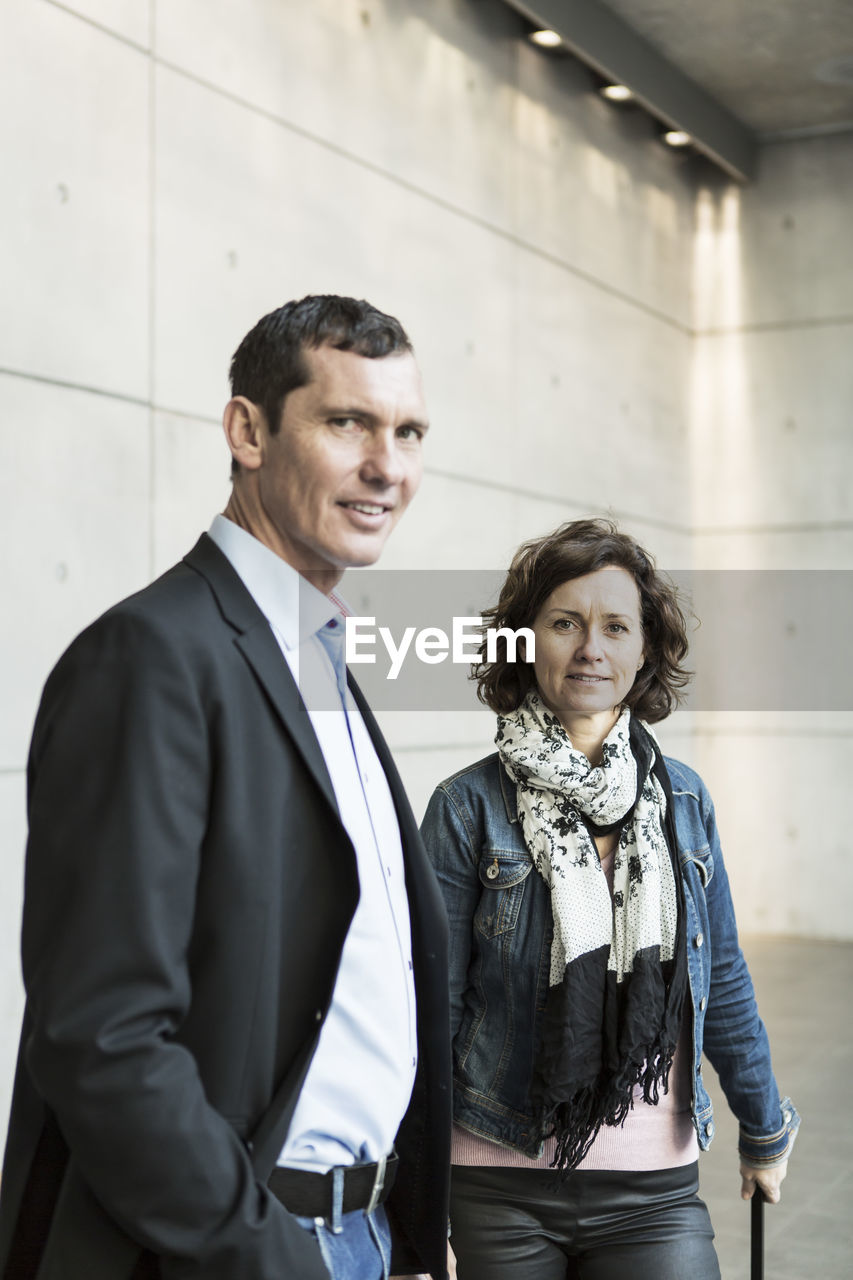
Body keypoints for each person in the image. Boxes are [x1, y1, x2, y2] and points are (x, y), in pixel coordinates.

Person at [0, 296, 451, 1280]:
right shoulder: (152, 656)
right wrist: (274, 1257)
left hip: (362, 1235)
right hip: (234, 1250)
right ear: (248, 430)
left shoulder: (322, 657)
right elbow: (104, 1037)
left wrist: (406, 1222)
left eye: (407, 431)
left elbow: (364, 976)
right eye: (348, 423)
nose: (389, 466)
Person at [421, 518, 799, 1280]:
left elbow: (719, 977)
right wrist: (416, 1203)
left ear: (643, 651)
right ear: (524, 644)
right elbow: (429, 1006)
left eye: (615, 626)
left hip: (652, 1190)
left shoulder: (683, 802)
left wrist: (762, 1131)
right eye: (564, 622)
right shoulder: (467, 807)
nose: (590, 647)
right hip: (495, 1184)